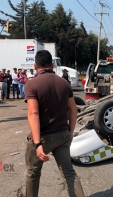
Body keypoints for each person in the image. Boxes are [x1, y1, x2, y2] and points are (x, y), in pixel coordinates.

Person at [25, 50, 85, 197]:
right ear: (52, 65)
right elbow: (73, 110)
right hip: (62, 135)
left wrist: (37, 144)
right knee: (69, 173)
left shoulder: (32, 85)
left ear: (35, 66)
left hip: (43, 138)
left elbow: (34, 113)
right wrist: (70, 134)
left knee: (33, 173)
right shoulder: (64, 83)